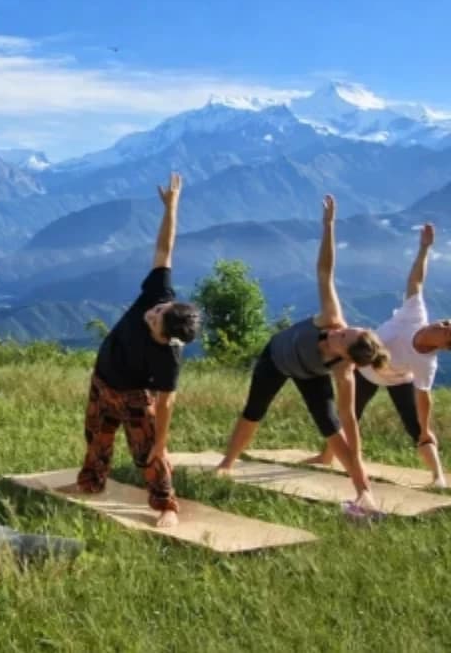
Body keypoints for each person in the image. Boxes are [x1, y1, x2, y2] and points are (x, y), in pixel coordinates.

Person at [216, 195, 390, 513]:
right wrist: (328, 225)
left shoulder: (343, 372)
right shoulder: (331, 316)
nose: (339, 330)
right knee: (254, 410)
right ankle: (227, 463)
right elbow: (325, 271)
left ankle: (364, 494)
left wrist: (363, 487)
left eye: (343, 337)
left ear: (347, 356)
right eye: (345, 329)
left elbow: (349, 425)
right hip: (276, 357)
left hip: (310, 374)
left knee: (331, 427)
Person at [76, 173, 200, 528]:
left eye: (157, 319)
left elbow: (165, 404)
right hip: (102, 380)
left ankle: (166, 506)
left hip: (134, 396)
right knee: (96, 436)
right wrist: (171, 207)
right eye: (159, 310)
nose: (152, 312)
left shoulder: (167, 358)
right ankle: (91, 482)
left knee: (149, 453)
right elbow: (165, 249)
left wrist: (161, 442)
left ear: (166, 337)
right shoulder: (159, 295)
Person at [303, 223, 449, 487]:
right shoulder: (416, 314)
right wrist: (425, 248)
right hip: (367, 371)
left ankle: (438, 477)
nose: (442, 324)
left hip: (398, 380)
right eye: (446, 321)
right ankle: (326, 457)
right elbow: (415, 281)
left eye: (446, 330)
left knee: (417, 428)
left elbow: (423, 397)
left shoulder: (426, 363)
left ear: (444, 344)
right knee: (346, 414)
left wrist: (426, 427)